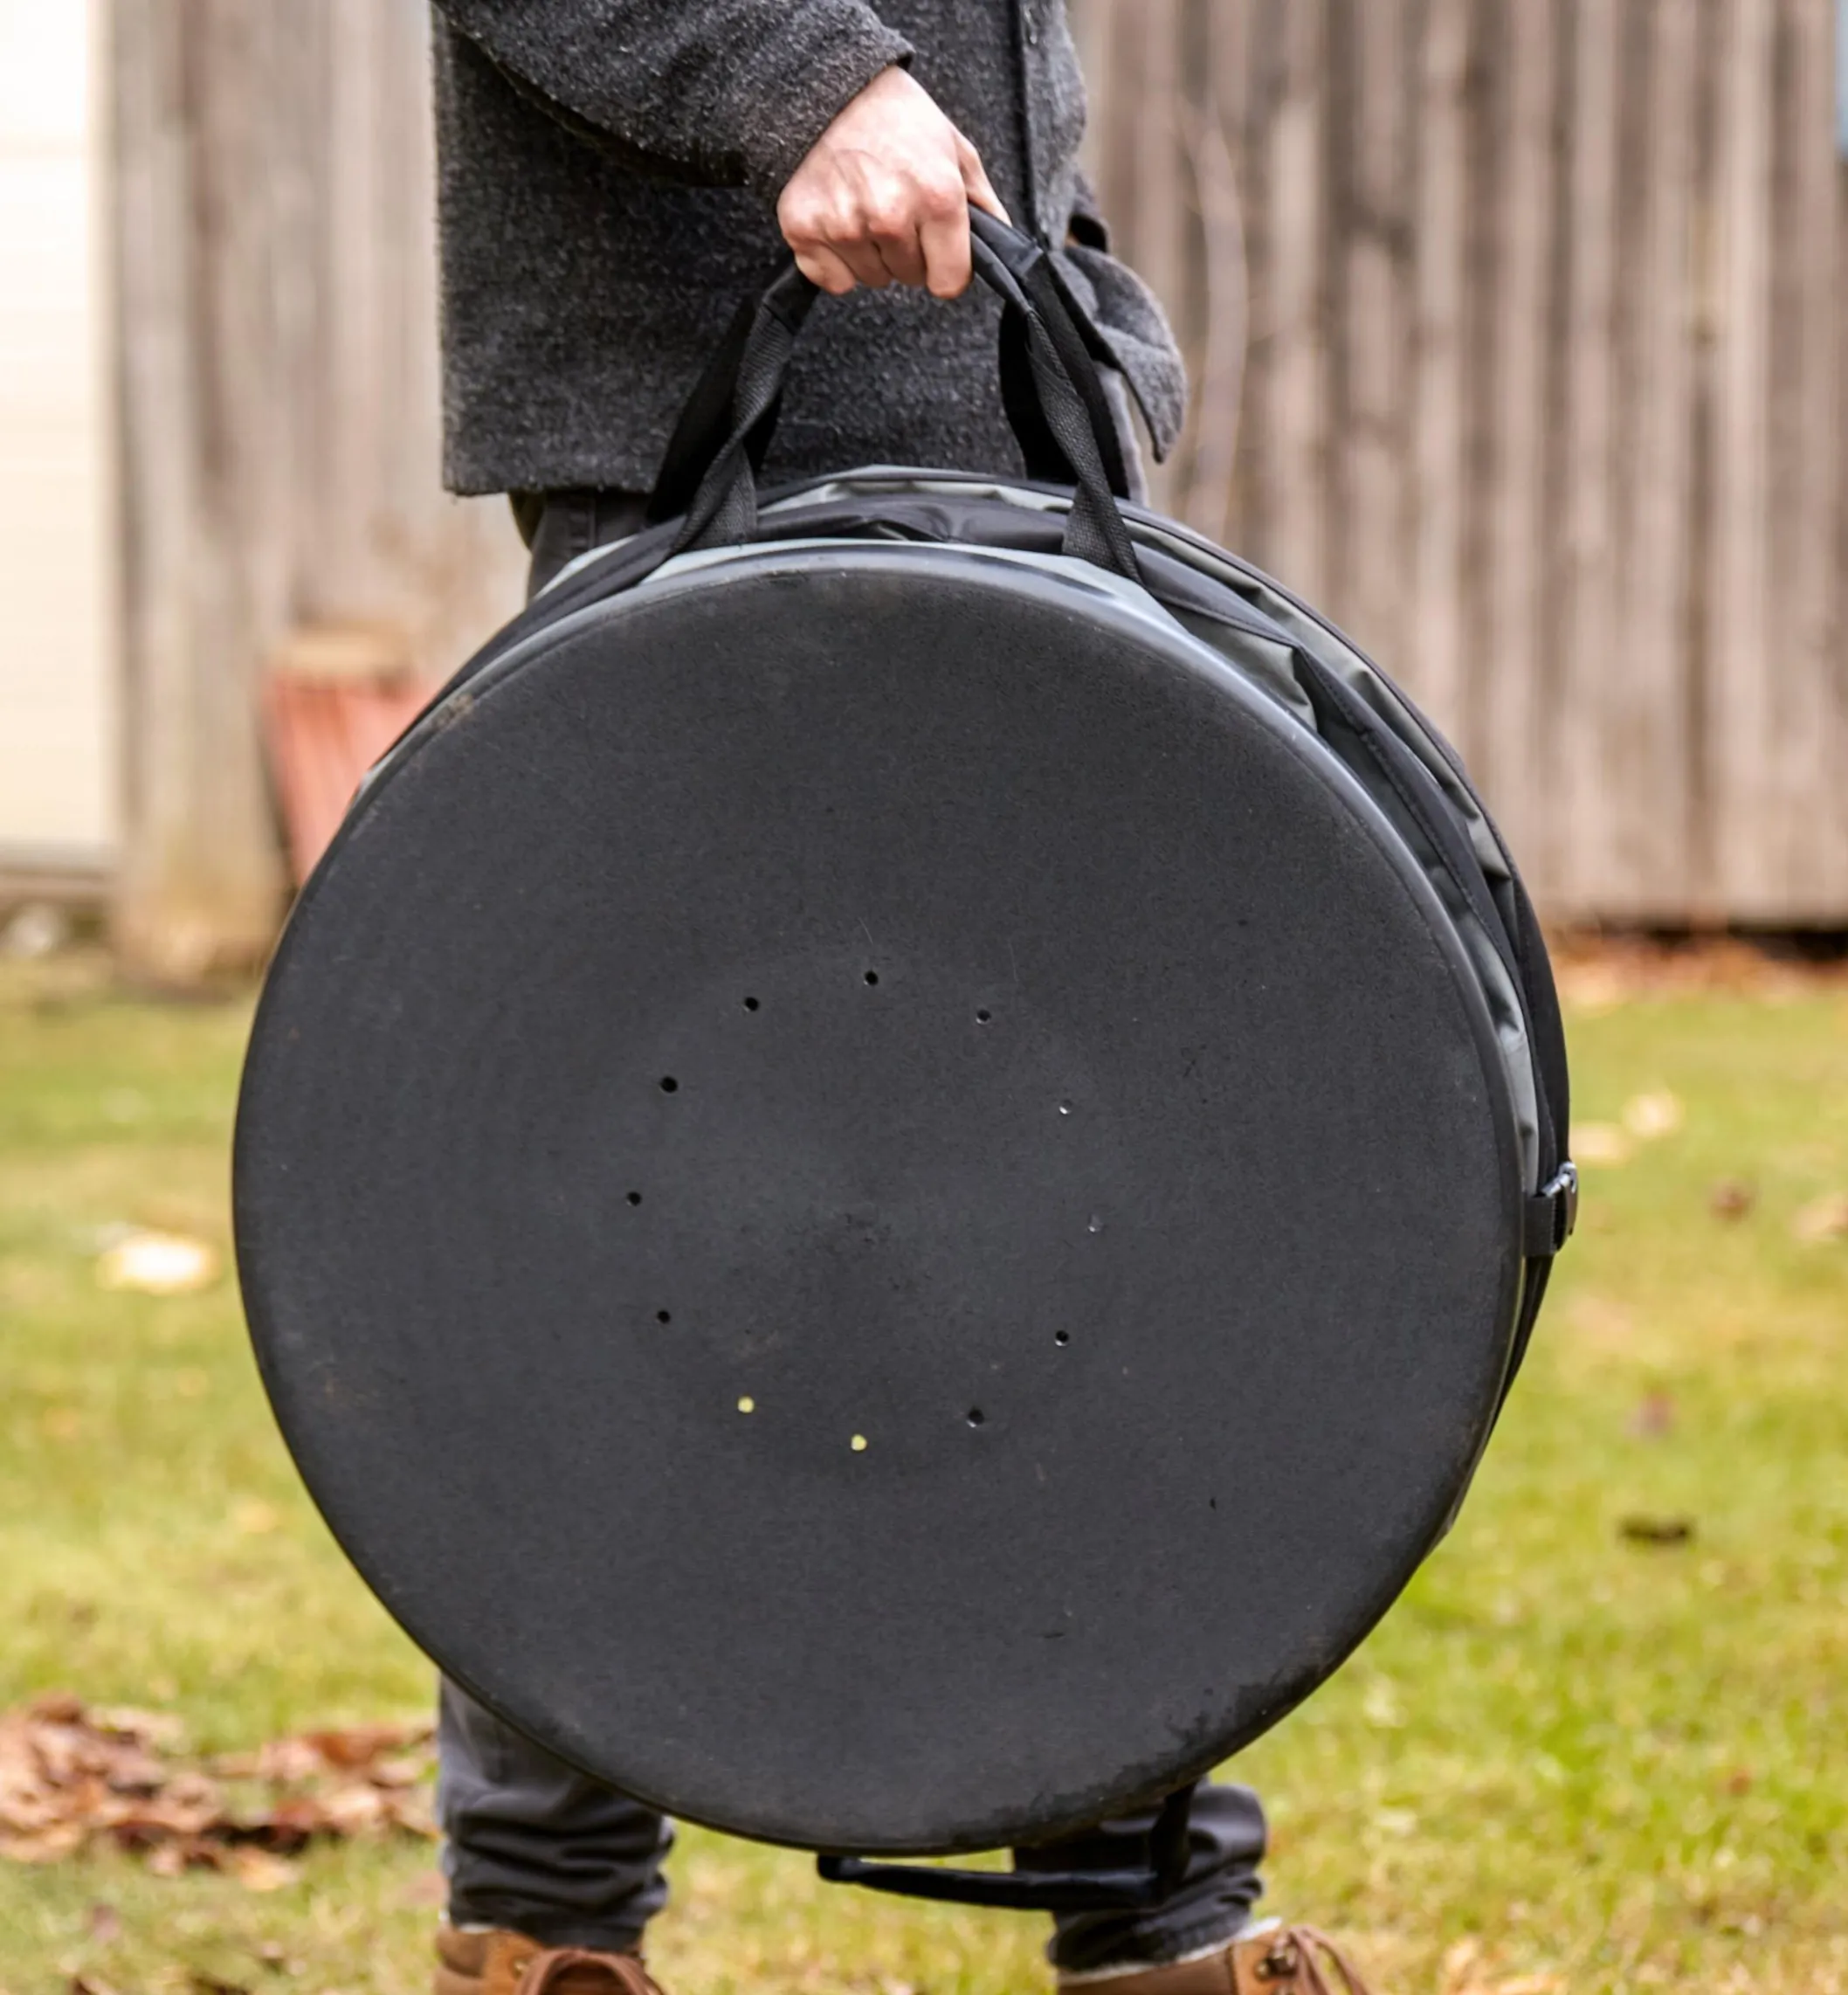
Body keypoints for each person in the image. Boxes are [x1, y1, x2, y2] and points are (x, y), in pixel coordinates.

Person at [424, 8, 1374, 1995]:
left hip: (998, 452)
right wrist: (812, 83)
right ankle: (545, 1933)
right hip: (690, 451)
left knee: (1096, 1190)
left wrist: (1080, 314)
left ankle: (1151, 1923)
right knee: (600, 1227)